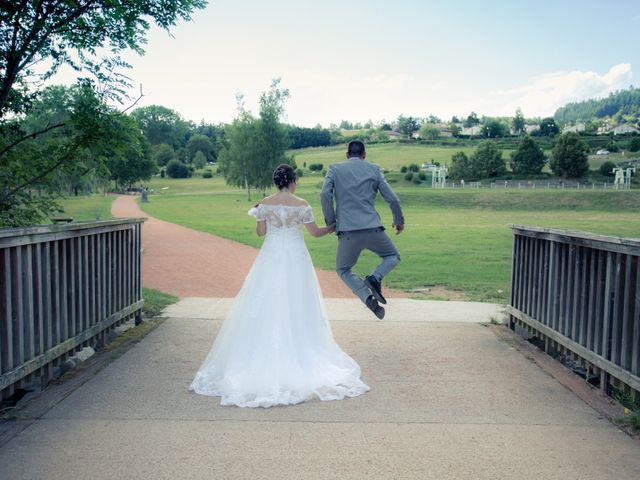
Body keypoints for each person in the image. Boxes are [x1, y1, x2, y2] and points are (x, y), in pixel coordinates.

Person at [190, 164, 370, 408]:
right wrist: (332, 227)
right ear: (293, 181)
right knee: (297, 301)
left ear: (276, 182)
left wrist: (259, 214)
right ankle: (300, 351)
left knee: (265, 301)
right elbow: (315, 233)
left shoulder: (265, 203)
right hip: (295, 257)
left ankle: (259, 357)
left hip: (271, 256)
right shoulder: (302, 204)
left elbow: (260, 232)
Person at [320, 140, 404, 320]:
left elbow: (324, 194)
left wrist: (331, 222)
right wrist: (399, 221)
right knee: (393, 256)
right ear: (364, 154)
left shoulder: (334, 169)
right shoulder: (374, 169)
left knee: (343, 269)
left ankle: (367, 298)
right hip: (373, 229)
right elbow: (393, 199)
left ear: (347, 154)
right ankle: (375, 277)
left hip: (348, 232)